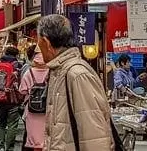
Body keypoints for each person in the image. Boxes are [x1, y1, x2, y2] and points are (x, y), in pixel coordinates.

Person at [37, 14, 113, 151]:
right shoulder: (59, 72)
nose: (38, 50)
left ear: (46, 42)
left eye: (39, 44)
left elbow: (95, 136)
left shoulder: (77, 74)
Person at [0, 46, 23, 151]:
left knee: (1, 123)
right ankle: (9, 148)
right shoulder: (17, 65)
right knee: (12, 124)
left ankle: (0, 146)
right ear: (16, 54)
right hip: (13, 99)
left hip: (0, 97)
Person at [18, 51, 49, 151]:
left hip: (31, 109)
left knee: (34, 138)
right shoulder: (50, 73)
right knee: (45, 137)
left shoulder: (29, 72)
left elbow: (22, 91)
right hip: (46, 108)